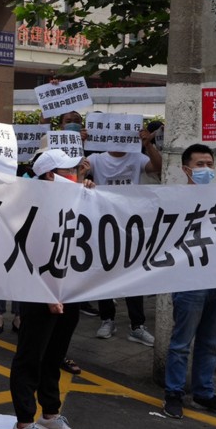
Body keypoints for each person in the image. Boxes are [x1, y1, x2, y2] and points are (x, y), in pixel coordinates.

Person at [9, 149, 87, 429]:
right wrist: (47, 293)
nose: (76, 174)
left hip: (70, 292)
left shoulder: (77, 199)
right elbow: (26, 256)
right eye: (69, 171)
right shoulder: (32, 206)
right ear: (51, 176)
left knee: (55, 356)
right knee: (31, 357)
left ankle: (50, 414)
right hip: (40, 294)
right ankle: (24, 423)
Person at [162, 144, 216, 419]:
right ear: (186, 169)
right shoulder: (174, 200)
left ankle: (204, 393)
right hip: (190, 280)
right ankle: (173, 394)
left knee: (211, 341)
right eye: (200, 165)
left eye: (209, 164)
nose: (206, 170)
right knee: (181, 342)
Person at [86, 125, 162, 346]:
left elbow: (158, 167)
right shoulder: (96, 159)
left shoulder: (137, 157)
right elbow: (76, 171)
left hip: (131, 224)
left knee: (132, 274)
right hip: (103, 223)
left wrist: (148, 144)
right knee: (104, 272)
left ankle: (137, 325)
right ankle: (107, 319)